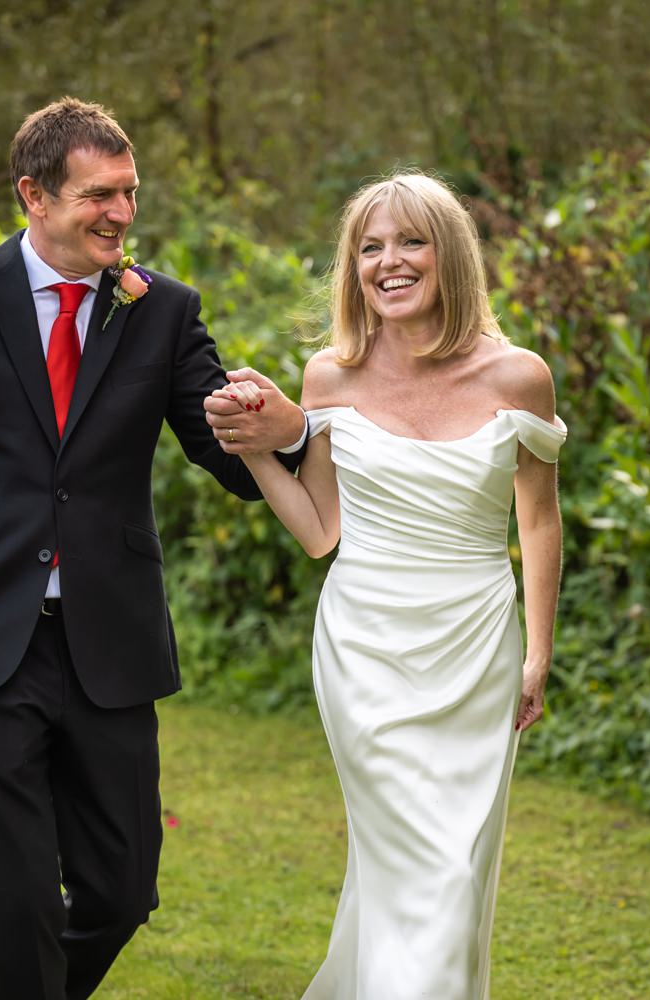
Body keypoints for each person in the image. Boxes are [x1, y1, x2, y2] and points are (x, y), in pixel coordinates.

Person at [0, 97, 306, 1000]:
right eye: (98, 195)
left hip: (110, 640)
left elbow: (229, 459)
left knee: (124, 889)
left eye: (128, 192)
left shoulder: (163, 310)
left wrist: (281, 431)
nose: (121, 214)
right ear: (33, 196)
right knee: (11, 896)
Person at [207, 172, 565, 999]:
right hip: (364, 650)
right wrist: (257, 444)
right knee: (424, 874)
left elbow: (539, 522)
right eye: (370, 247)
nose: (388, 262)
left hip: (476, 649)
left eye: (411, 241)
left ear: (451, 256)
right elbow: (322, 532)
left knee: (454, 879)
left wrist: (538, 651)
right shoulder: (330, 376)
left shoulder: (520, 377)